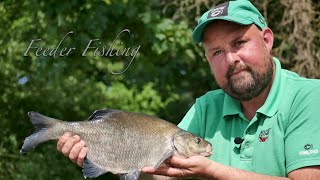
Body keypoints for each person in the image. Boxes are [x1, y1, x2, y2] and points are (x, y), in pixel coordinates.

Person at [57, 0, 320, 179]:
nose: (230, 59)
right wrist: (113, 158)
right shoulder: (207, 106)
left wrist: (213, 171)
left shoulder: (308, 97)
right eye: (217, 52)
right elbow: (164, 174)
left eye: (239, 43)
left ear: (266, 40)